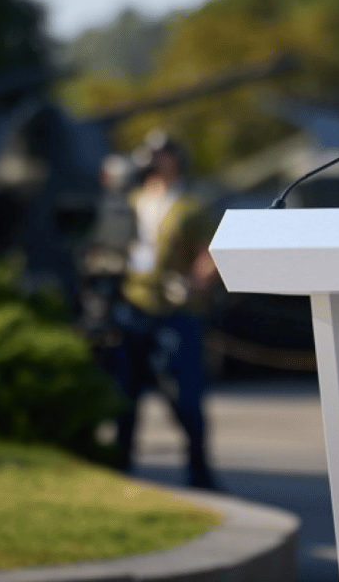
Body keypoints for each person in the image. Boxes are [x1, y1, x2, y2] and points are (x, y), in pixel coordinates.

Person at [108, 130, 220, 490]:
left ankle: (199, 471)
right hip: (135, 305)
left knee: (185, 396)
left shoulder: (191, 203)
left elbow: (210, 250)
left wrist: (197, 281)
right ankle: (120, 463)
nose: (154, 160)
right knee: (125, 393)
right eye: (150, 153)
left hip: (177, 310)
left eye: (162, 154)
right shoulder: (134, 198)